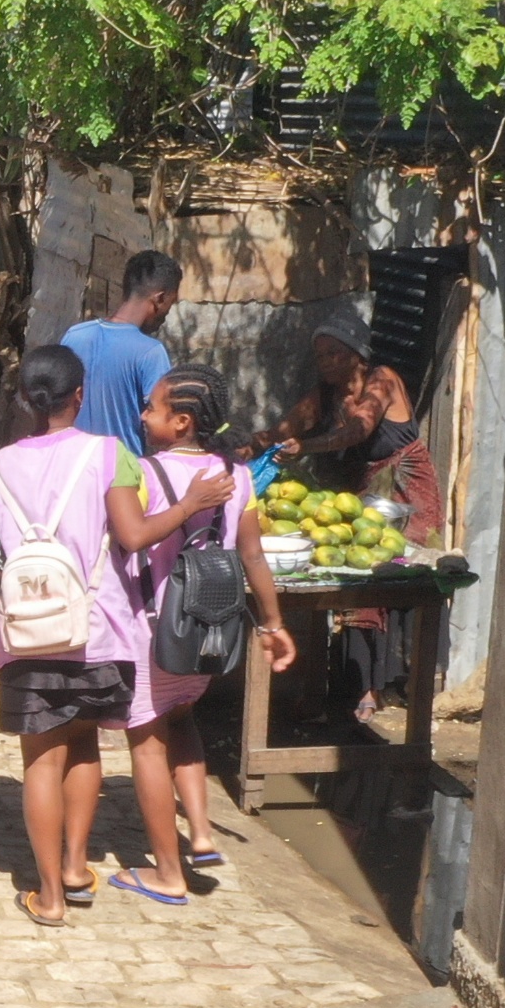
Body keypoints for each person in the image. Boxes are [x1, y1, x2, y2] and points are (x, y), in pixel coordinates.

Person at [0, 346, 230, 925]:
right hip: (100, 628)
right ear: (80, 396)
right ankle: (74, 866)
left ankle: (48, 895)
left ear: (23, 398)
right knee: (86, 745)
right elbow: (135, 535)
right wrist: (191, 504)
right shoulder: (109, 453)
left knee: (42, 760)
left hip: (27, 633)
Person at [125, 364, 296, 879]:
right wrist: (272, 623)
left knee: (148, 739)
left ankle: (168, 872)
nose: (142, 414)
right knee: (183, 720)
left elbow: (128, 539)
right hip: (210, 630)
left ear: (180, 422)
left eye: (151, 407)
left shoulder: (144, 473)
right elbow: (253, 557)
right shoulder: (238, 476)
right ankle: (200, 831)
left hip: (154, 631)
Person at [258, 308, 439, 719]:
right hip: (364, 490)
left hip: (405, 486)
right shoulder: (323, 394)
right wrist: (250, 446)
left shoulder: (382, 379)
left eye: (333, 354)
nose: (325, 363)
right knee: (362, 573)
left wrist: (310, 447)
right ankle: (360, 685)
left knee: (405, 572)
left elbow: (359, 428)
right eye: (320, 356)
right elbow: (285, 428)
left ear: (358, 355)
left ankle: (401, 682)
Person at [59, 251, 181, 453]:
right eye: (170, 302)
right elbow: (165, 422)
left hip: (74, 467)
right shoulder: (150, 352)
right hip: (122, 475)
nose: (167, 313)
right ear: (160, 298)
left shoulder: (75, 336)